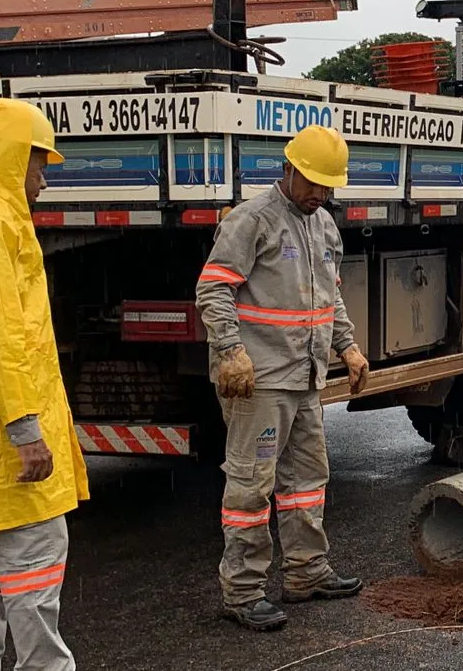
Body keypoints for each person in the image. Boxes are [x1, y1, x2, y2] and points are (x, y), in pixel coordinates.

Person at [195, 124, 371, 632]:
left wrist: (349, 347)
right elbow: (213, 290)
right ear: (289, 169)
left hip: (305, 376)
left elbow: (328, 296)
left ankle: (306, 572)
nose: (319, 194)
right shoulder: (252, 221)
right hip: (261, 380)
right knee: (252, 485)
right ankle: (244, 591)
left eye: (327, 186)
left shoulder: (323, 226)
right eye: (312, 183)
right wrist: (231, 352)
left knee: (306, 482)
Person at [0, 91, 88, 671]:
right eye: (38, 160)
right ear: (10, 154)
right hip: (5, 453)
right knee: (33, 575)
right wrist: (24, 428)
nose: (43, 175)